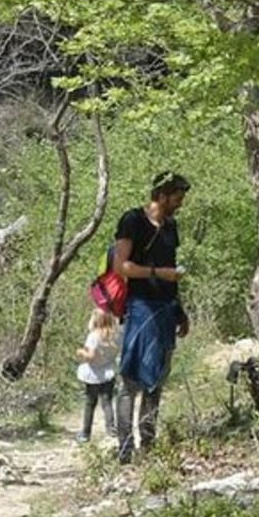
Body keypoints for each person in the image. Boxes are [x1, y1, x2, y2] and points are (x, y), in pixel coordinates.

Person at [113, 171, 191, 464]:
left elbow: (172, 271)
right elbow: (123, 267)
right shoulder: (132, 220)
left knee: (157, 379)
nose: (180, 204)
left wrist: (180, 311)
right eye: (177, 198)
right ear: (161, 195)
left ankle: (148, 443)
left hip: (166, 309)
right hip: (140, 307)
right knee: (131, 380)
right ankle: (124, 449)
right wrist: (158, 274)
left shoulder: (172, 227)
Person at [74, 308, 119, 443]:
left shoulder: (94, 336)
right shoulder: (114, 336)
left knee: (90, 403)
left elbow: (91, 356)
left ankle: (85, 433)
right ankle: (111, 429)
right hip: (108, 373)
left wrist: (81, 352)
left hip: (93, 374)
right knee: (107, 402)